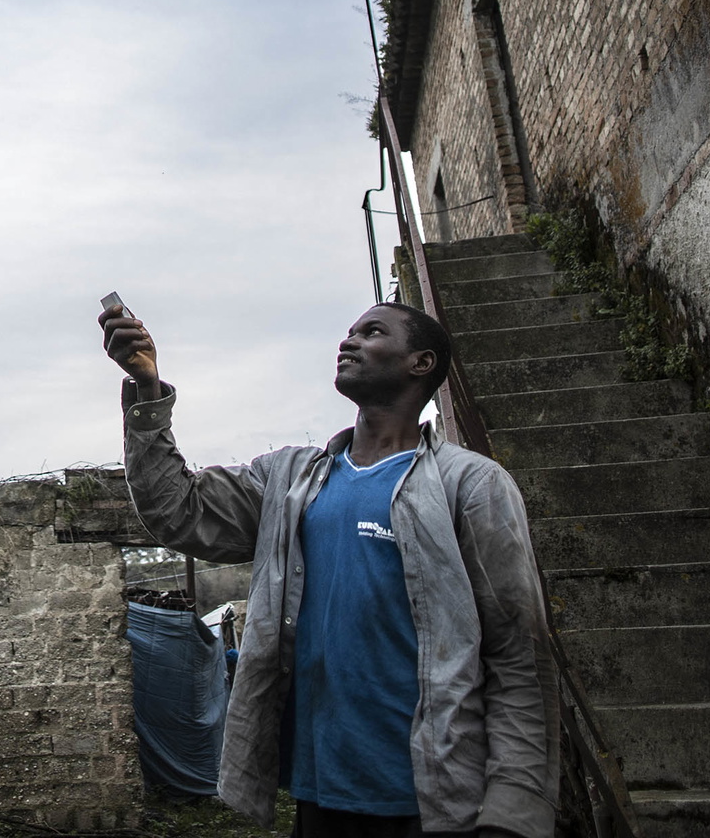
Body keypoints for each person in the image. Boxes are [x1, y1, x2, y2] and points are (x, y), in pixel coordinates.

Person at [100, 300, 558, 838]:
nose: (350, 341)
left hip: (432, 804)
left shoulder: (472, 486)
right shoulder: (289, 480)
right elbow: (178, 511)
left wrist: (513, 812)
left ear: (421, 363)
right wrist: (148, 391)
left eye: (372, 332)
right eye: (349, 332)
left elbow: (517, 657)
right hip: (319, 794)